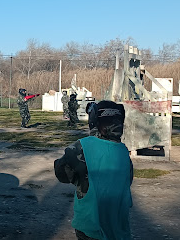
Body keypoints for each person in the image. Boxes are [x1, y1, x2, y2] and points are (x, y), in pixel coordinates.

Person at [54, 100, 133, 240]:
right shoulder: (124, 152)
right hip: (119, 228)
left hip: (90, 228)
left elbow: (62, 174)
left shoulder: (82, 146)